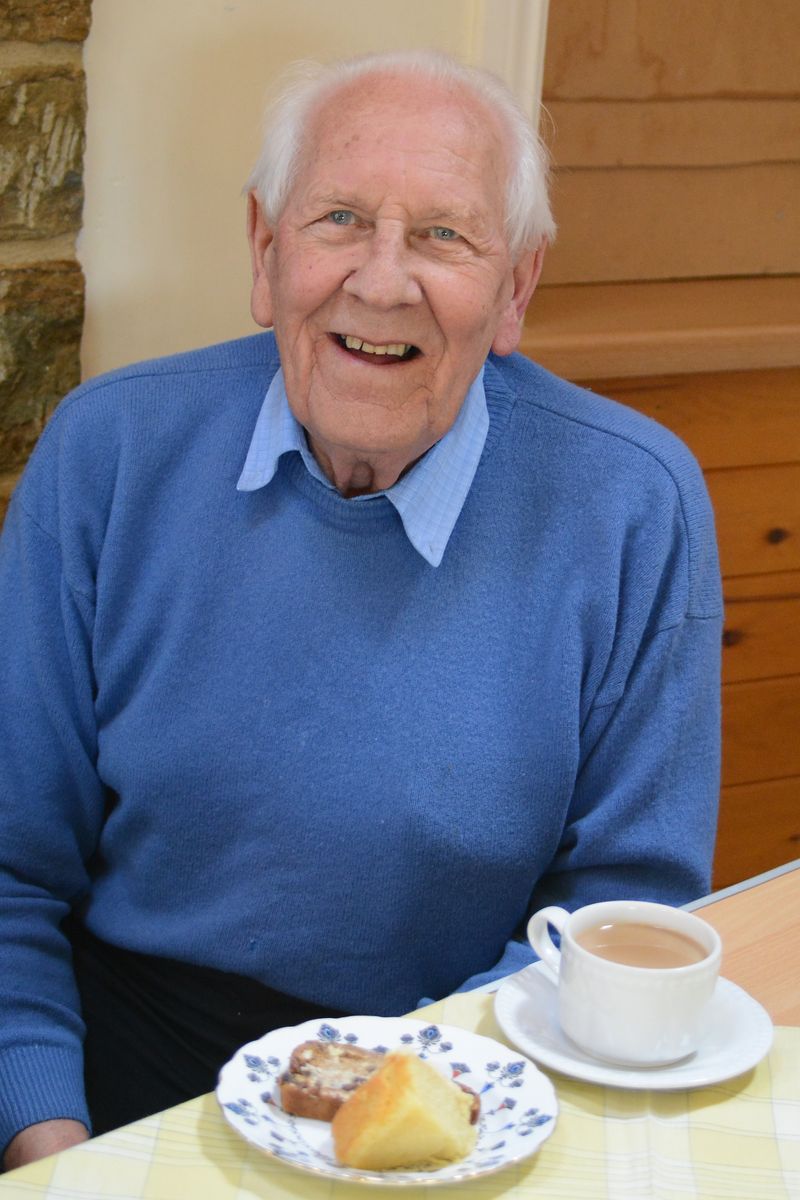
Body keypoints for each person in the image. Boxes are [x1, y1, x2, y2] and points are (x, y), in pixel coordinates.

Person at [0, 49, 722, 1169]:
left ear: (516, 287)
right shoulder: (109, 455)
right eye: (339, 218)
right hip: (117, 1073)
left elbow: (615, 920)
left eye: (443, 235)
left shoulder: (632, 501)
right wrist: (50, 1148)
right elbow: (8, 870)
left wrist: (421, 1126)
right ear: (264, 248)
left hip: (468, 1069)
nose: (382, 284)